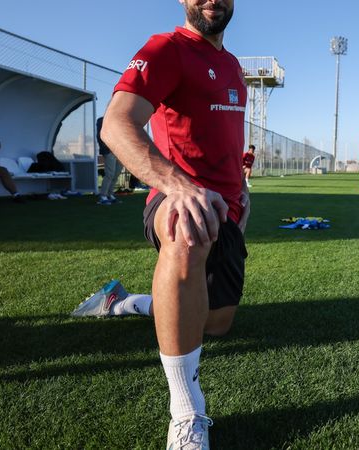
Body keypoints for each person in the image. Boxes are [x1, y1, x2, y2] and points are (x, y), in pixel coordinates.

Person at [97, 1, 248, 447]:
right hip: (174, 195)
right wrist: (178, 186)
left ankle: (123, 302)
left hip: (229, 209)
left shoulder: (233, 65)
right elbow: (116, 123)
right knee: (187, 231)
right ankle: (187, 412)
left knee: (214, 325)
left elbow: (221, 137)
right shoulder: (166, 48)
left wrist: (240, 186)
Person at [97, 116, 124, 205]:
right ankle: (103, 196)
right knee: (110, 174)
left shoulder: (119, 120)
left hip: (119, 151)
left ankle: (110, 194)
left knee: (116, 174)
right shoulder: (102, 120)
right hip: (109, 151)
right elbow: (100, 135)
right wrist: (107, 148)